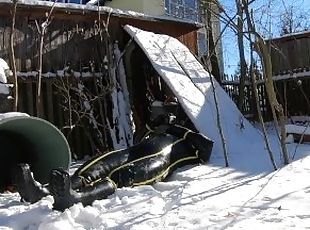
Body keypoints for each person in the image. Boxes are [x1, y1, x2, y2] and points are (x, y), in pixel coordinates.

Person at [12, 114, 213, 211]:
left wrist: (178, 128)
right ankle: (43, 192)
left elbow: (206, 149)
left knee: (121, 176)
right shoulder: (162, 130)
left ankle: (77, 197)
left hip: (161, 160)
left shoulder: (194, 140)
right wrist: (163, 123)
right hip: (132, 151)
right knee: (99, 164)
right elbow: (144, 130)